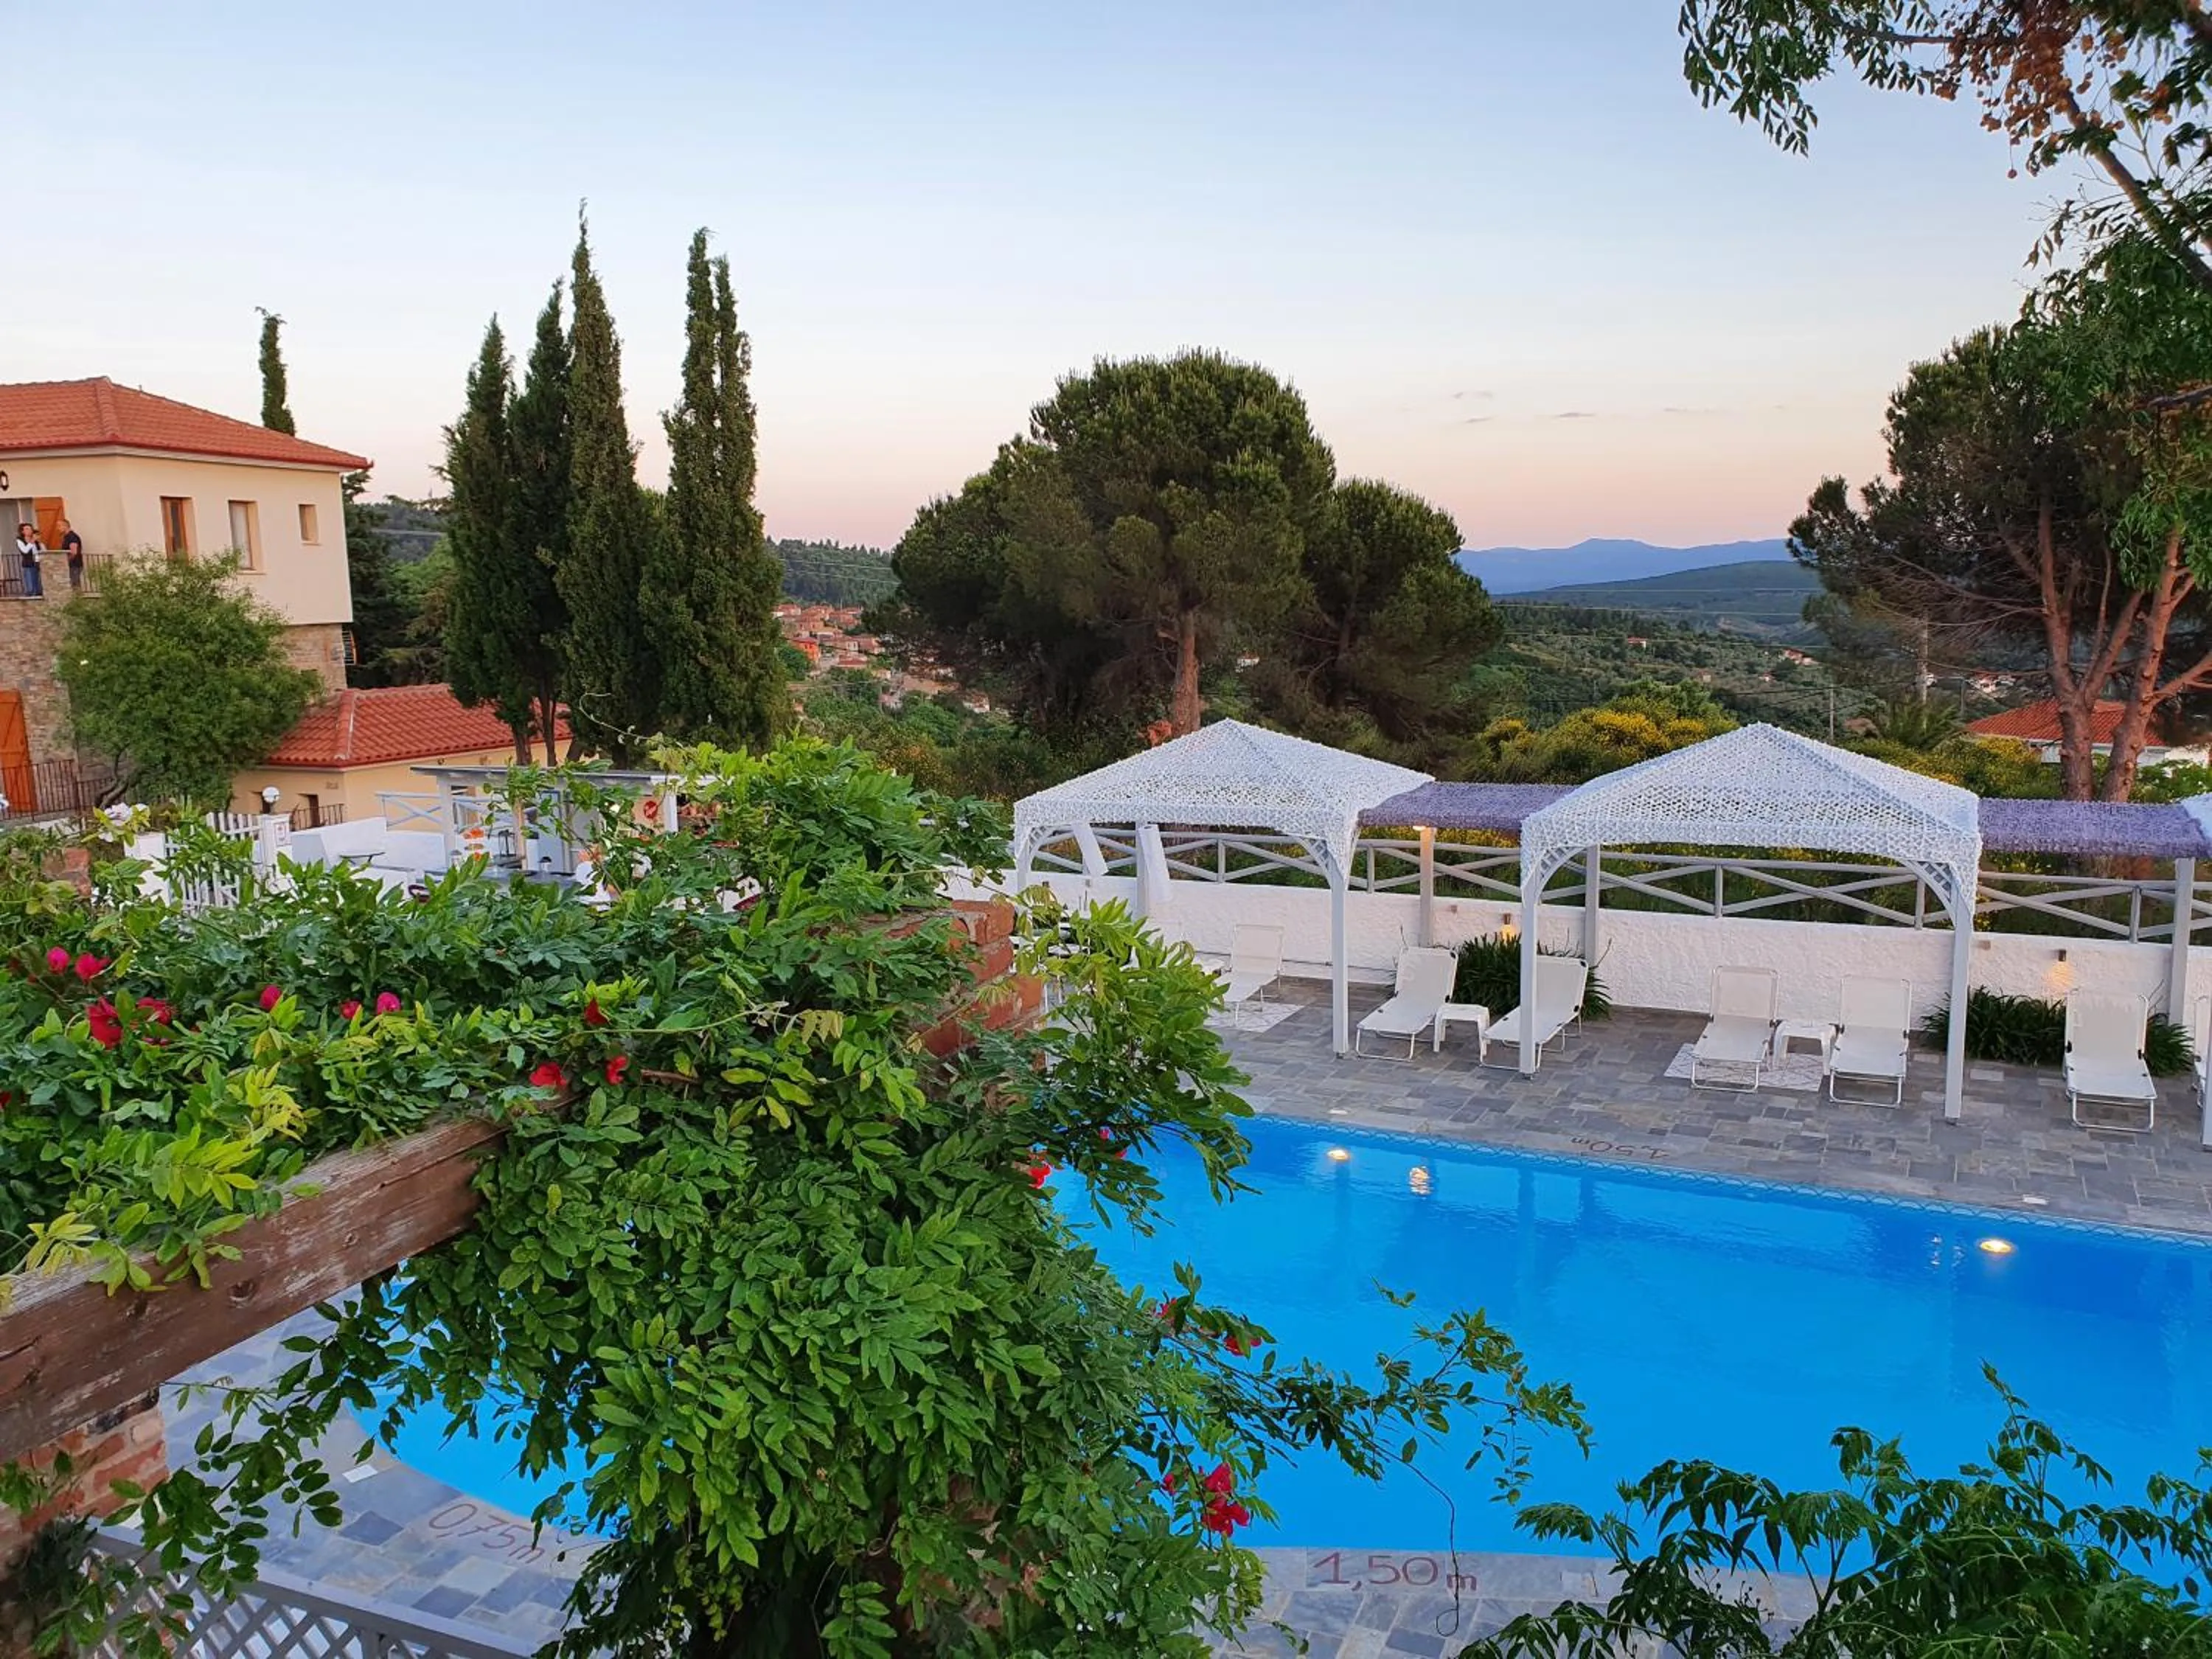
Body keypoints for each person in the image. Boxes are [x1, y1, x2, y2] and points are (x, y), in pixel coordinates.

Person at [13, 524, 41, 599]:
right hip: (28, 564)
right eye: (27, 529)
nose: (30, 530)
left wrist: (38, 542)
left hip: (37, 563)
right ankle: (31, 595)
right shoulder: (20, 540)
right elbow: (25, 551)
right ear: (22, 531)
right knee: (30, 584)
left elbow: (38, 551)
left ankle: (38, 594)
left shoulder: (35, 541)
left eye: (30, 529)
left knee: (38, 583)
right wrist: (32, 542)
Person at [57, 518, 83, 591]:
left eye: (59, 526)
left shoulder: (72, 537)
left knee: (74, 584)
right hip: (72, 565)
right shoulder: (66, 537)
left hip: (75, 565)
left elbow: (74, 552)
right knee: (74, 584)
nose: (58, 528)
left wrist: (67, 561)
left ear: (65, 526)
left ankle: (77, 599)